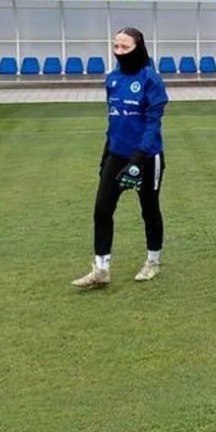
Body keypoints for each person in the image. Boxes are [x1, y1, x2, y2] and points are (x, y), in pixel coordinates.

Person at [73, 27, 168, 289]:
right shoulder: (113, 78)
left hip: (147, 157)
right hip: (117, 154)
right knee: (102, 209)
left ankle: (153, 261)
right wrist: (106, 154)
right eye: (116, 46)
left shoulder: (151, 79)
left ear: (139, 48)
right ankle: (101, 269)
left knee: (149, 210)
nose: (119, 52)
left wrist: (139, 157)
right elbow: (113, 120)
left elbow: (153, 123)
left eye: (125, 47)